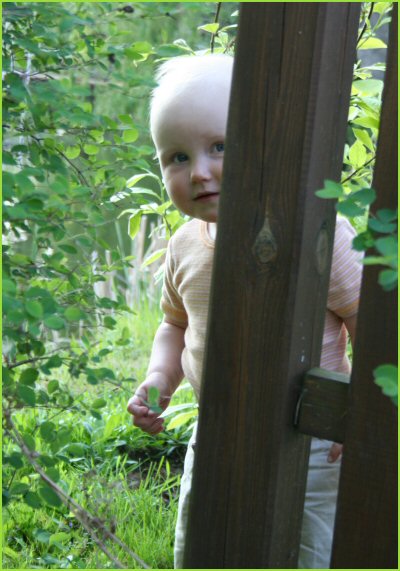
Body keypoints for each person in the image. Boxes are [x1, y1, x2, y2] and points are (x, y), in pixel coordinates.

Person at [127, 53, 361, 569]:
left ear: (267, 142)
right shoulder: (184, 245)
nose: (200, 171)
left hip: (312, 436)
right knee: (206, 539)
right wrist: (159, 378)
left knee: (307, 548)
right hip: (215, 429)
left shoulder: (318, 234)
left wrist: (360, 408)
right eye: (177, 157)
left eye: (220, 146)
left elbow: (367, 318)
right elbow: (173, 323)